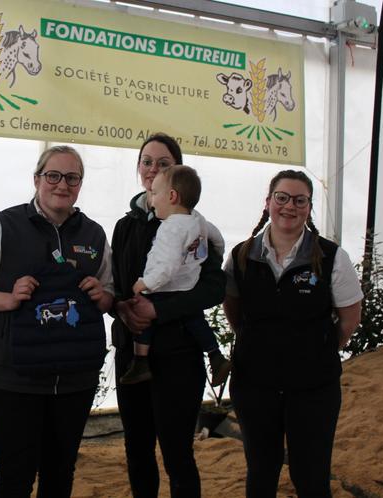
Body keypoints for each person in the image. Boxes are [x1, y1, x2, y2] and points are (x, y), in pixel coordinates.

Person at [0, 145, 113, 498]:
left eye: (72, 178)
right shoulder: (2, 224)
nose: (62, 185)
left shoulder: (94, 234)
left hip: (76, 379)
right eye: (53, 176)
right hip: (15, 377)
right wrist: (9, 299)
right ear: (37, 179)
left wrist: (100, 295)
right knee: (14, 476)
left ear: (80, 184)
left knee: (60, 474)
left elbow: (109, 296)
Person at [223, 169, 363, 498]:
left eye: (300, 200)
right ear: (268, 202)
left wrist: (319, 350)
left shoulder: (331, 257)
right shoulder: (241, 255)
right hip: (255, 385)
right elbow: (234, 310)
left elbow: (349, 319)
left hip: (313, 389)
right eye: (282, 198)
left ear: (309, 207)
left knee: (310, 476)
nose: (290, 206)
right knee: (261, 471)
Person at [111, 133, 226, 497]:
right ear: (138, 168)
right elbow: (117, 286)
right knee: (137, 448)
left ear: (177, 174)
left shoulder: (196, 227)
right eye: (147, 161)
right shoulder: (124, 226)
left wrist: (157, 309)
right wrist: (124, 311)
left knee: (178, 452)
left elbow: (213, 288)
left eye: (164, 163)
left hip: (178, 353)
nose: (153, 169)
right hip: (132, 351)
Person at [119, 164, 231, 387]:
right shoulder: (196, 219)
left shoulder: (171, 228)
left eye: (155, 193)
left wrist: (145, 284)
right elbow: (216, 236)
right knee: (195, 319)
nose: (152, 198)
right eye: (146, 161)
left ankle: (140, 361)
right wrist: (216, 250)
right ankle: (215, 355)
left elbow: (166, 266)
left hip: (165, 290)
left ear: (171, 196)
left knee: (144, 320)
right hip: (188, 286)